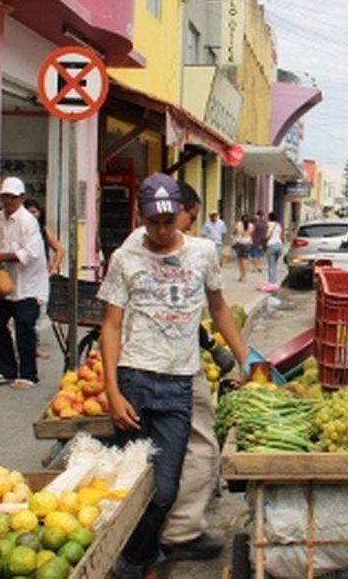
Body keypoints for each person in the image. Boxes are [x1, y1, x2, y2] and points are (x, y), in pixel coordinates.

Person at [99, 174, 248, 579]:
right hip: (135, 379)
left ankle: (133, 561)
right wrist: (112, 390)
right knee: (132, 486)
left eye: (169, 220)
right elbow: (110, 326)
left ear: (181, 214)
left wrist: (244, 357)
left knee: (164, 490)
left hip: (179, 382)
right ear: (141, 217)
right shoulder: (125, 258)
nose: (162, 230)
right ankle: (140, 563)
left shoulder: (202, 253)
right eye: (154, 222)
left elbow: (218, 308)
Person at [0, 177, 49, 389]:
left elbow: (30, 254)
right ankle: (7, 369)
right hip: (7, 284)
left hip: (29, 285)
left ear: (21, 198)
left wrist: (1, 257)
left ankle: (29, 374)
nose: (9, 201)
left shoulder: (28, 222)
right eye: (5, 197)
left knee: (24, 328)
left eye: (13, 197)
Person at [24, 198, 65, 360]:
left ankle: (33, 347)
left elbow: (60, 249)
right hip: (20, 279)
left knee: (36, 315)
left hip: (38, 280)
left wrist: (53, 268)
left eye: (34, 212)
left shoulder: (43, 231)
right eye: (28, 211)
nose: (31, 215)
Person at [264, 211, 285, 285]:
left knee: (271, 265)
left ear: (269, 218)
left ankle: (271, 282)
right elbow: (282, 236)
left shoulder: (268, 225)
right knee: (275, 264)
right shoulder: (278, 225)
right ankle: (275, 281)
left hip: (271, 245)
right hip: (279, 245)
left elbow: (266, 236)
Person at [232, 214, 254, 283]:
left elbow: (234, 232)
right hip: (248, 243)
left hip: (239, 243)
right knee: (246, 259)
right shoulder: (251, 226)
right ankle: (245, 276)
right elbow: (251, 234)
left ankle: (241, 275)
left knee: (240, 260)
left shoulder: (238, 224)